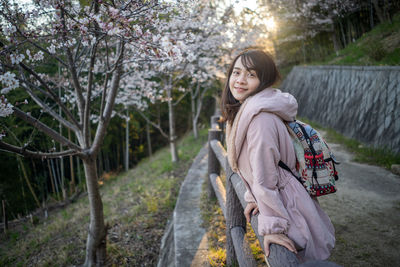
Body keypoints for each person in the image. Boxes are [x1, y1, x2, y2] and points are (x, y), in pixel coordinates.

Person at [221, 49, 335, 262]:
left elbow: (265, 177)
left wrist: (273, 227)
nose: (240, 80)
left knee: (295, 258)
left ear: (264, 81)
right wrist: (253, 198)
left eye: (251, 75)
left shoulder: (260, 120)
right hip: (282, 201)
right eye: (236, 73)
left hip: (287, 207)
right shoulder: (246, 113)